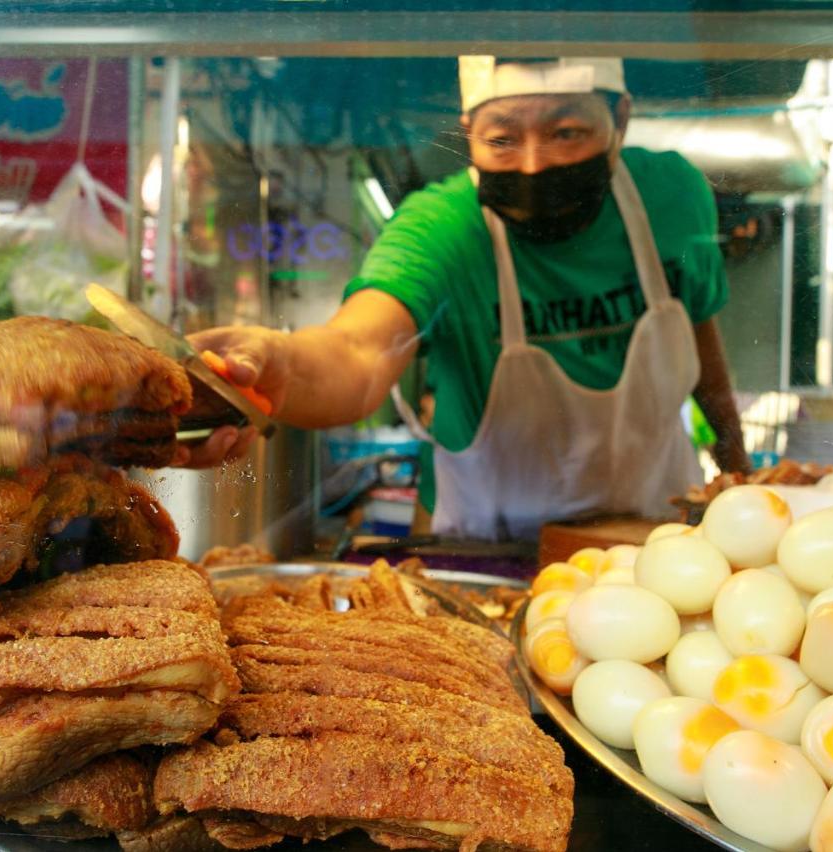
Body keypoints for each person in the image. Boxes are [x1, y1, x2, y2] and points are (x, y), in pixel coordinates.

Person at [185, 56, 749, 541]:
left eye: (567, 132)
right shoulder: (442, 225)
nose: (533, 163)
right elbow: (357, 351)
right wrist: (277, 362)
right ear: (468, 132)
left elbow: (703, 347)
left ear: (620, 120)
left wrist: (738, 469)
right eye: (501, 140)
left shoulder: (672, 197)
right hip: (484, 546)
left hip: (652, 543)